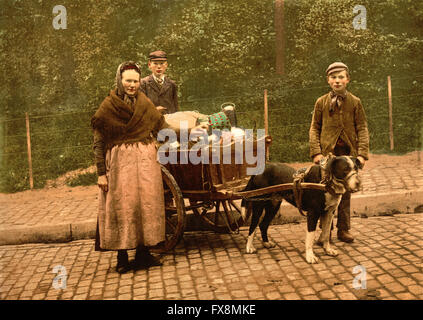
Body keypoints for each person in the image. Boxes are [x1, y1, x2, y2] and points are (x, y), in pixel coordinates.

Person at [91, 61, 168, 273]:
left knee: (145, 205)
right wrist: (101, 174)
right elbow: (98, 143)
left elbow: (162, 126)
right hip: (119, 165)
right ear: (119, 80)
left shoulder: (145, 103)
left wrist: (162, 141)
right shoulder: (108, 107)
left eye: (135, 81)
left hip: (145, 165)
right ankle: (122, 257)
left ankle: (143, 253)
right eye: (128, 81)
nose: (132, 85)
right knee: (123, 207)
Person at [309, 62, 369, 243]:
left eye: (341, 77)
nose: (337, 81)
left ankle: (344, 229)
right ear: (328, 80)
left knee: (346, 192)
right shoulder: (321, 102)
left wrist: (362, 155)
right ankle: (325, 231)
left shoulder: (355, 102)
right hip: (328, 156)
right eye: (333, 78)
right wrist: (316, 153)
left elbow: (362, 128)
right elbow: (314, 128)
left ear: (347, 79)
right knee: (325, 190)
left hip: (348, 155)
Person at [140, 50, 179, 114]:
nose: (159, 67)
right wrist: (153, 110)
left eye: (161, 63)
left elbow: (176, 108)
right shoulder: (143, 83)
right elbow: (141, 108)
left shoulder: (172, 84)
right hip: (151, 120)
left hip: (169, 121)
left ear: (166, 65)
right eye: (155, 63)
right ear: (149, 65)